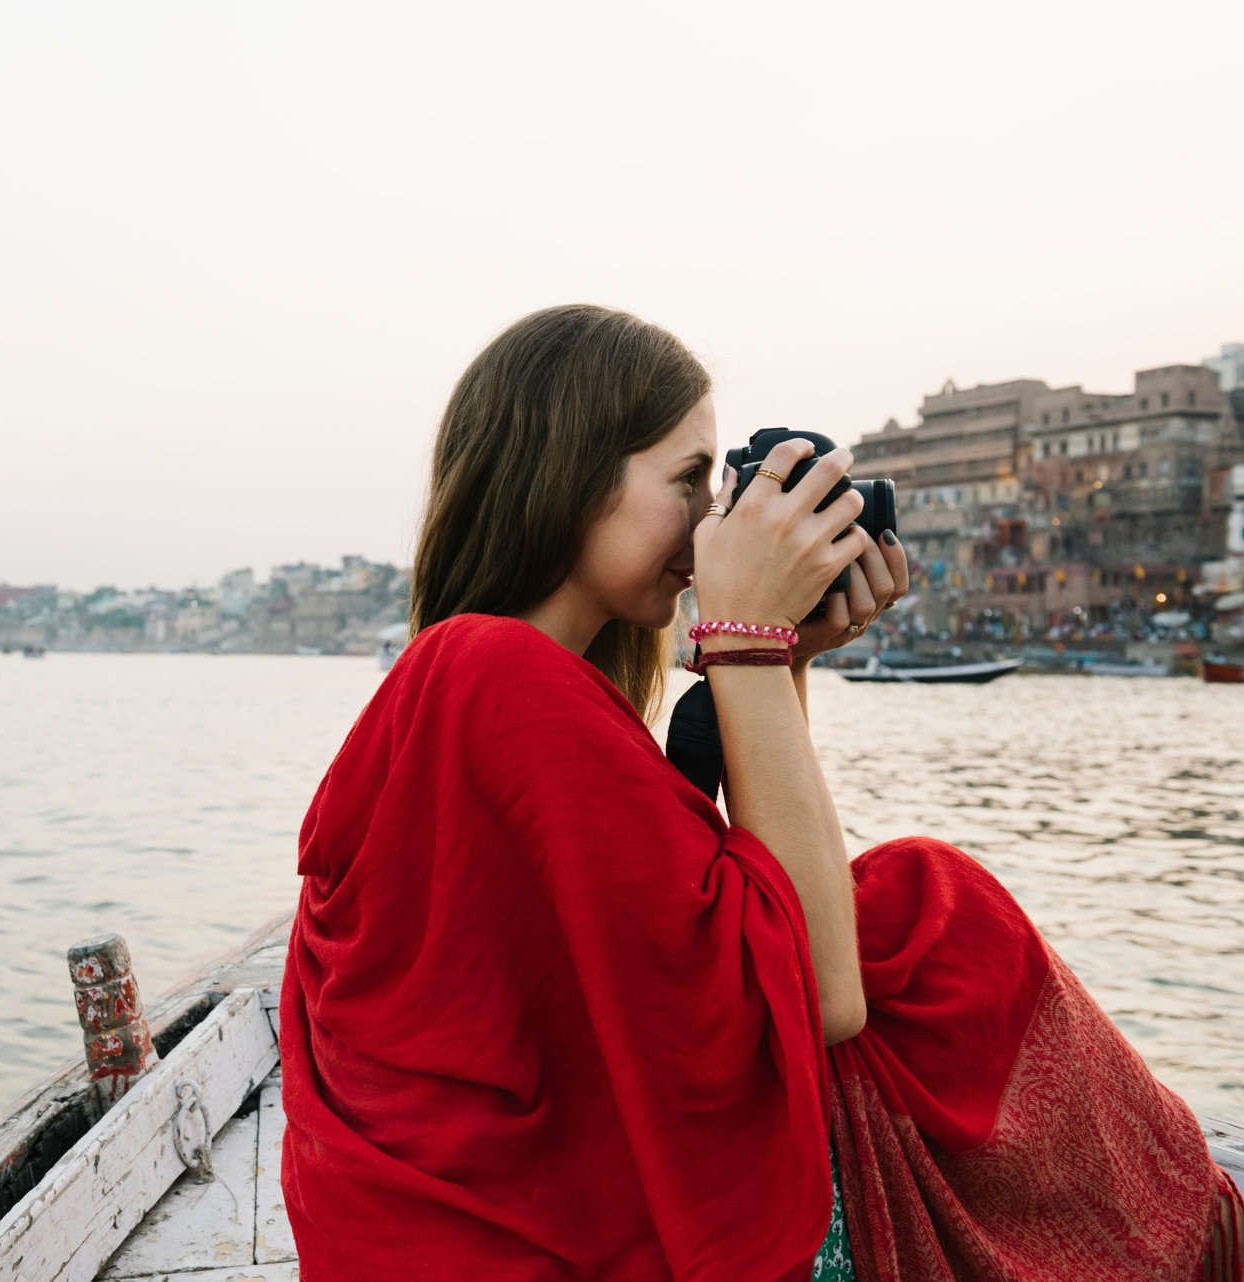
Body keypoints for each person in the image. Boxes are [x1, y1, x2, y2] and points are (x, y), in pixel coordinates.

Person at [279, 305, 1239, 1282]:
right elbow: (819, 993)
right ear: (568, 474)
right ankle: (1185, 1237)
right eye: (689, 480)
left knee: (906, 913)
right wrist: (744, 643)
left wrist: (784, 654)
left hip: (470, 1226)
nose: (712, 523)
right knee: (933, 914)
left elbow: (751, 925)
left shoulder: (498, 683)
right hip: (506, 1242)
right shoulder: (494, 674)